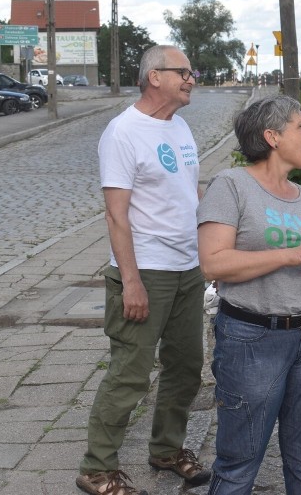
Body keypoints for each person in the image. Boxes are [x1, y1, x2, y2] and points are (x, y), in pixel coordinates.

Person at [77, 45, 211, 495]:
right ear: (155, 77)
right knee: (130, 373)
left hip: (187, 269)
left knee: (187, 367)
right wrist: (130, 280)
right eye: (184, 72)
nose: (192, 78)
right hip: (145, 271)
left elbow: (185, 195)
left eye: (192, 73)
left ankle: (167, 450)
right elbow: (117, 215)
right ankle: (97, 469)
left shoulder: (181, 126)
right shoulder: (122, 133)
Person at [197, 95, 301, 494]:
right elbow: (212, 263)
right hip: (252, 340)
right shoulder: (232, 185)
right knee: (239, 464)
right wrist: (289, 255)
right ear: (272, 136)